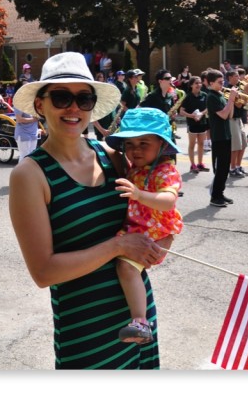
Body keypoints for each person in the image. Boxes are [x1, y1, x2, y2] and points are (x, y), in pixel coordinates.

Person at [9, 53, 164, 368]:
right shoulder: (30, 175)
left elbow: (146, 217)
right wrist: (118, 246)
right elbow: (44, 272)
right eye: (62, 98)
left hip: (138, 319)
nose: (74, 108)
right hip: (87, 332)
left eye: (84, 98)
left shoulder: (112, 156)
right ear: (40, 105)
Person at [104, 107, 184, 344]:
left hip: (154, 233)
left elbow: (169, 200)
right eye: (129, 144)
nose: (135, 150)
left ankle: (140, 322)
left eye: (143, 143)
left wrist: (139, 194)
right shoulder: (136, 167)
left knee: (126, 268)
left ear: (161, 144)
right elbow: (109, 150)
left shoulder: (165, 170)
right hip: (139, 230)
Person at [205, 71, 235, 207]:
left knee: (225, 167)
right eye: (220, 82)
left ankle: (220, 193)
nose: (223, 84)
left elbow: (230, 115)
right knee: (220, 168)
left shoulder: (220, 95)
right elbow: (223, 115)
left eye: (223, 81)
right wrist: (231, 100)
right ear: (211, 83)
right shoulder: (211, 97)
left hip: (226, 134)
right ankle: (215, 197)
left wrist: (232, 101)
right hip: (218, 136)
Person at [180, 75, 209, 173]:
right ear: (191, 85)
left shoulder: (204, 95)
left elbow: (208, 108)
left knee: (201, 144)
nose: (199, 85)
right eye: (196, 83)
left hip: (202, 122)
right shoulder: (188, 97)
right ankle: (192, 165)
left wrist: (201, 113)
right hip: (192, 123)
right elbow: (181, 111)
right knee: (192, 144)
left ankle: (200, 163)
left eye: (200, 83)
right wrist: (191, 116)